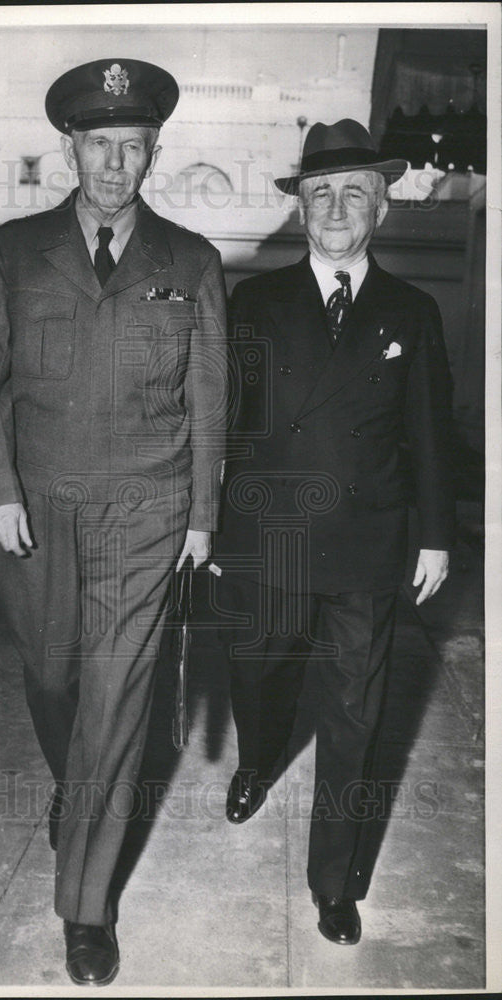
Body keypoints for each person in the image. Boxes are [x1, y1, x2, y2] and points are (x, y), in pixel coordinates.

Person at [0, 58, 227, 985]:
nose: (116, 163)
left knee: (117, 704)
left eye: (133, 146)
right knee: (54, 678)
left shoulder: (189, 260)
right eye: (99, 143)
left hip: (146, 510)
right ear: (70, 146)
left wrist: (199, 517)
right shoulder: (13, 250)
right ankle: (76, 792)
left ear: (154, 151)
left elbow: (209, 399)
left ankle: (86, 907)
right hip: (34, 509)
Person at [218, 119, 453, 946]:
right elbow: (226, 423)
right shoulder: (255, 298)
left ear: (381, 206)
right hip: (270, 535)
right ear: (301, 207)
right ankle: (256, 757)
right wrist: (212, 528)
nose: (336, 206)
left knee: (355, 713)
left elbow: (428, 431)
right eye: (321, 192)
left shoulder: (411, 310)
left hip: (367, 540)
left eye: (354, 190)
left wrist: (434, 535)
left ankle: (333, 882)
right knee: (258, 674)